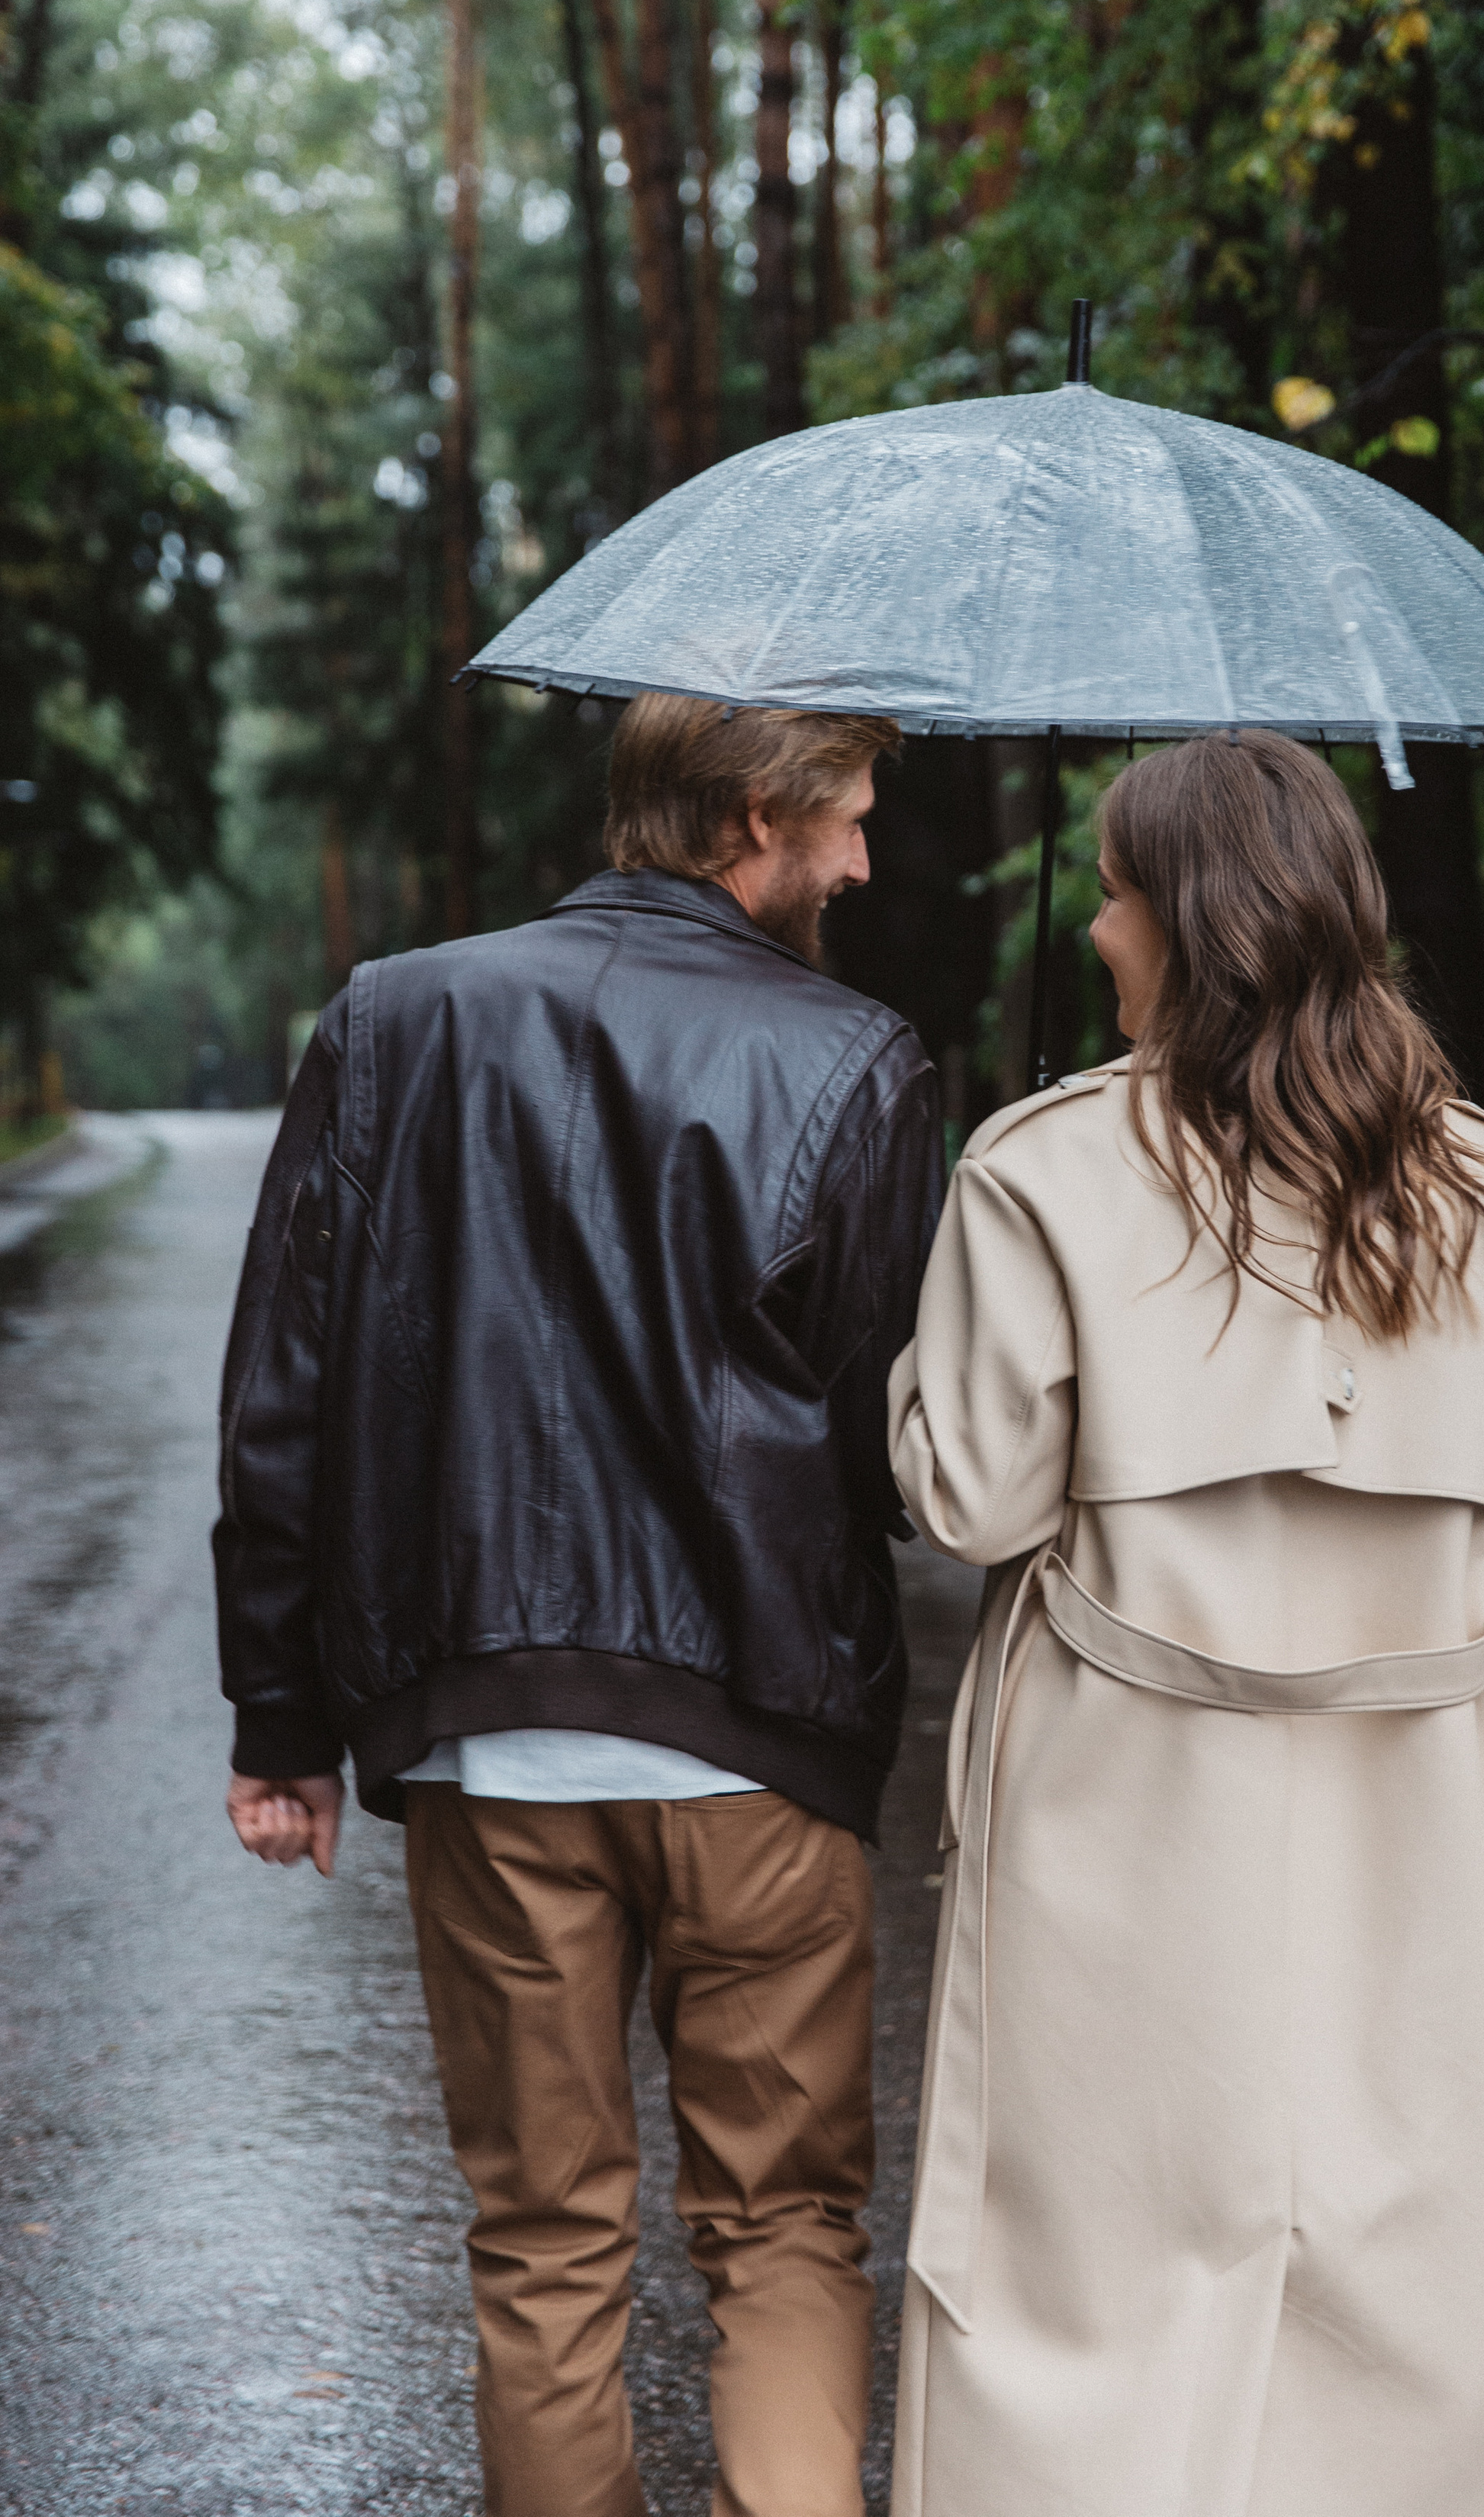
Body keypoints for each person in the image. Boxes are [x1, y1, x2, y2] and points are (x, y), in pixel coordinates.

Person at [887, 730, 1484, 2517]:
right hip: (1398, 1824)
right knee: (1392, 2290)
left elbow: (968, 1503)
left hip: (1114, 1827)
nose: (1095, 928)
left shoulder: (1036, 1170)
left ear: (1180, 924)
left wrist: (933, 1337)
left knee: (1085, 2297)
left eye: (1110, 895)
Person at [214, 693, 942, 2517]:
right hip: (759, 1744)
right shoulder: (854, 1057)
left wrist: (281, 1720)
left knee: (540, 2240)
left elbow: (285, 1394)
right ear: (746, 819)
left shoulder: (394, 1019)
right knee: (784, 2226)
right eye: (843, 819)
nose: (862, 859)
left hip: (484, 1740)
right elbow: (891, 1446)